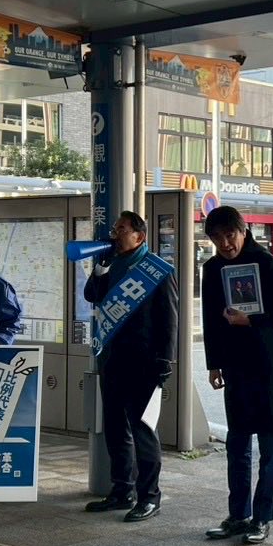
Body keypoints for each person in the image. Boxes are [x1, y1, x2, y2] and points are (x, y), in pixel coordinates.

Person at [200, 206, 273, 545]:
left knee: (270, 451)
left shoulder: (268, 263)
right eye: (217, 237)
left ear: (243, 231)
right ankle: (237, 514)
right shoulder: (212, 269)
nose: (225, 243)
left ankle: (262, 517)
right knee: (237, 447)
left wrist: (251, 320)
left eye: (230, 234)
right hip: (236, 368)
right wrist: (213, 364)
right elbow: (211, 322)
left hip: (269, 369)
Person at [83, 211, 178, 522]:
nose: (115, 233)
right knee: (114, 426)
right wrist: (100, 266)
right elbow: (91, 295)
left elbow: (169, 319)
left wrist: (165, 360)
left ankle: (149, 496)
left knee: (142, 429)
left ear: (140, 236)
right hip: (112, 358)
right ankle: (121, 489)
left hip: (145, 362)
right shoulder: (111, 263)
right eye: (115, 228)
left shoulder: (156, 270)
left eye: (121, 229)